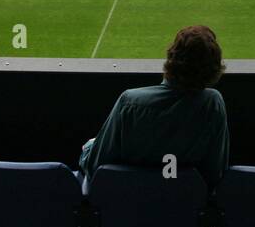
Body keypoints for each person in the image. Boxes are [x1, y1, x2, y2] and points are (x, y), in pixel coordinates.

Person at [79, 25, 229, 186]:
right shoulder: (213, 104)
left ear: (172, 57)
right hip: (182, 203)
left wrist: (89, 147)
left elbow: (95, 165)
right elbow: (215, 172)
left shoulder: (130, 102)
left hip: (130, 201)